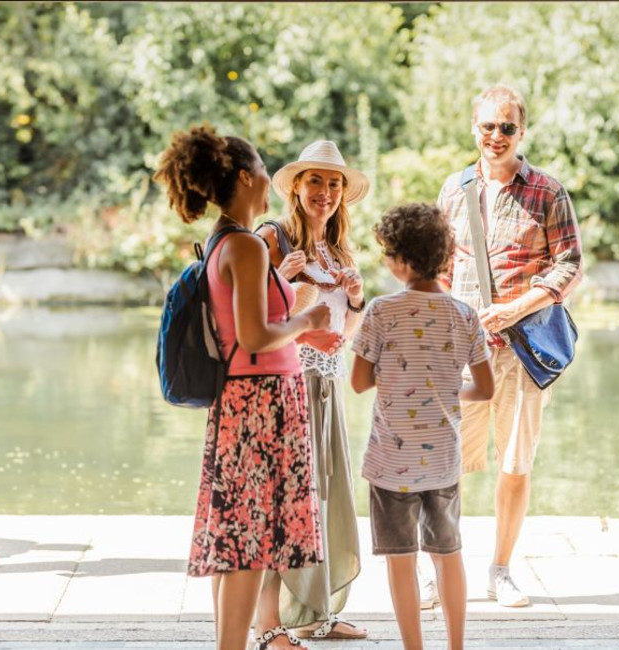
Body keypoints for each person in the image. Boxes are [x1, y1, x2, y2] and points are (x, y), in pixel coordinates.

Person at [153, 125, 337, 650]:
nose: (266, 179)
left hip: (245, 398)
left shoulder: (223, 241)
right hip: (261, 402)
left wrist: (302, 326)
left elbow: (248, 329)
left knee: (237, 536)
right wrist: (308, 319)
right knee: (251, 543)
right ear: (244, 177)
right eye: (262, 169)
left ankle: (227, 642)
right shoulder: (248, 247)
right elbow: (255, 335)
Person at [429, 82, 583, 608]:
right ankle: (442, 572)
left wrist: (517, 308)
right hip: (461, 353)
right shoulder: (453, 189)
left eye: (507, 127)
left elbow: (570, 263)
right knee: (447, 466)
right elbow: (438, 266)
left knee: (515, 464)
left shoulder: (548, 191)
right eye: (488, 126)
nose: (497, 136)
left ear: (522, 131)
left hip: (520, 350)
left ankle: (500, 570)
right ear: (474, 128)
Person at [351, 202, 493, 650]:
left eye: (388, 254)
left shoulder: (380, 311)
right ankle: (456, 647)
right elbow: (485, 389)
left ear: (402, 260)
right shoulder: (465, 316)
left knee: (401, 561)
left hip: (391, 463)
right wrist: (450, 392)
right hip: (442, 462)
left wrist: (395, 378)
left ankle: (414, 648)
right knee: (448, 556)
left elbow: (358, 382)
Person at [252, 141, 369, 644]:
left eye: (334, 183)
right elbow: (249, 321)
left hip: (329, 382)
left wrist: (359, 295)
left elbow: (353, 330)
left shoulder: (339, 250)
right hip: (287, 382)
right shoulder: (272, 240)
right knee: (284, 503)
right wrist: (284, 279)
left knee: (323, 499)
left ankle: (317, 614)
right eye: (315, 181)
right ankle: (268, 626)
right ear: (296, 187)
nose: (325, 192)